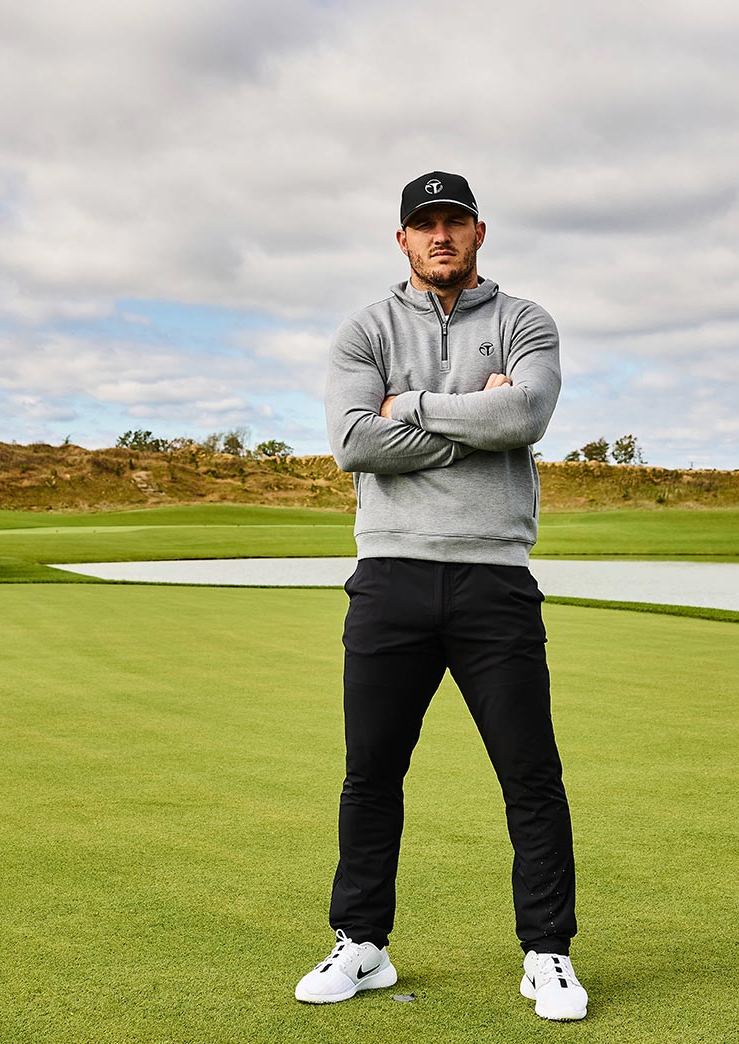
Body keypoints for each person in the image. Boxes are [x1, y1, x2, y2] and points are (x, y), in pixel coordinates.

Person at [294, 171, 586, 1022]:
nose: (440, 237)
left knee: (531, 775)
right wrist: (473, 419)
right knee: (372, 773)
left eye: (453, 222)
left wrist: (413, 407)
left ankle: (548, 954)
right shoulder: (365, 328)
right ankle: (363, 945)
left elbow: (525, 417)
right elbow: (353, 442)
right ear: (402, 241)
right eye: (424, 225)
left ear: (479, 232)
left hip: (496, 578)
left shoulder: (525, 321)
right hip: (390, 576)